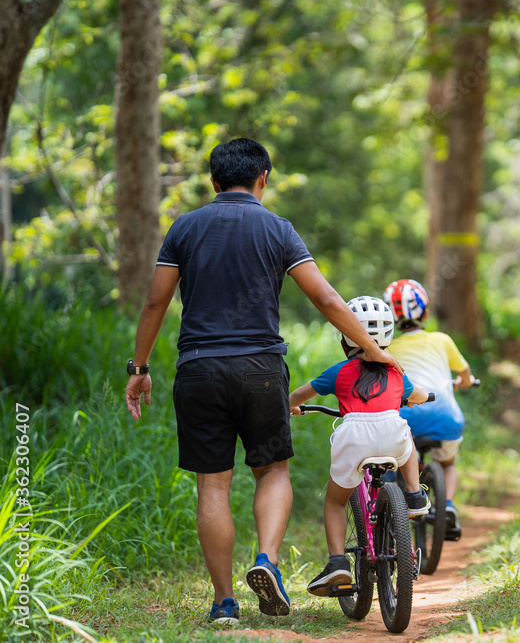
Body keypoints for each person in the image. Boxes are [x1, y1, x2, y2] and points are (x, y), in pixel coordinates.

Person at [124, 138, 402, 625]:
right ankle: (266, 560)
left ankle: (223, 604)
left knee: (212, 487)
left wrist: (139, 369)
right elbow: (328, 299)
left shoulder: (184, 229)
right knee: (272, 471)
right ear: (263, 180)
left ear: (213, 182)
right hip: (261, 371)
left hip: (199, 370)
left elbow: (154, 303)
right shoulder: (278, 229)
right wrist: (373, 349)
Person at [287, 295, 430, 595]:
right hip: (393, 432)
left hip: (353, 436)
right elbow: (416, 394)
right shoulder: (395, 372)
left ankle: (338, 562)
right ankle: (415, 495)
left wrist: (291, 407)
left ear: (346, 339)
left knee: (336, 501)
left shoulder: (338, 372)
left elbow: (299, 395)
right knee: (408, 445)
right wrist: (425, 396)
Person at [382, 278, 475, 537]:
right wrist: (463, 382)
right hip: (445, 418)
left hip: (405, 419)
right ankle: (446, 505)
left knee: (394, 460)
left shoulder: (389, 348)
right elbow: (465, 373)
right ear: (426, 311)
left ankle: (389, 506)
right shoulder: (442, 340)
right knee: (447, 463)